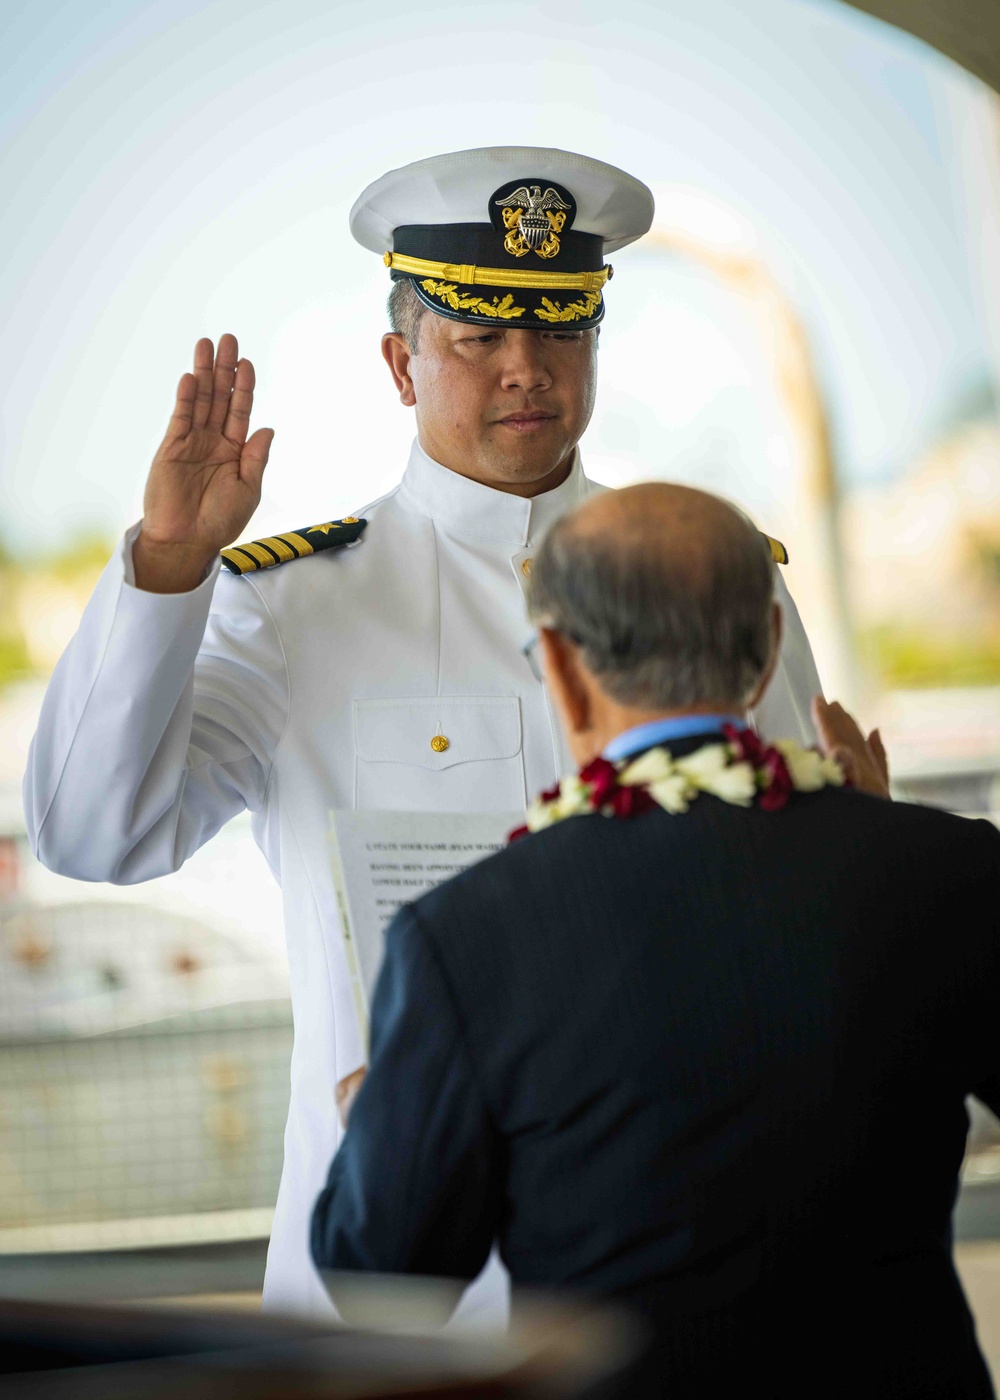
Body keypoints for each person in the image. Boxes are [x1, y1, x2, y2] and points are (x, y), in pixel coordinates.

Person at [23, 148, 823, 1318]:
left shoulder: (715, 572)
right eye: (478, 335)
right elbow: (94, 837)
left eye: (559, 331)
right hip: (399, 1280)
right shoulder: (286, 602)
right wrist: (168, 571)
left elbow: (807, 867)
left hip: (683, 1244)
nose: (525, 369)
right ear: (401, 363)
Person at [311, 482, 1000, 1398]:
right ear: (768, 652)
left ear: (557, 667)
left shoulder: (463, 935)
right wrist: (889, 842)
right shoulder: (948, 870)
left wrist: (378, 1126)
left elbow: (386, 1282)